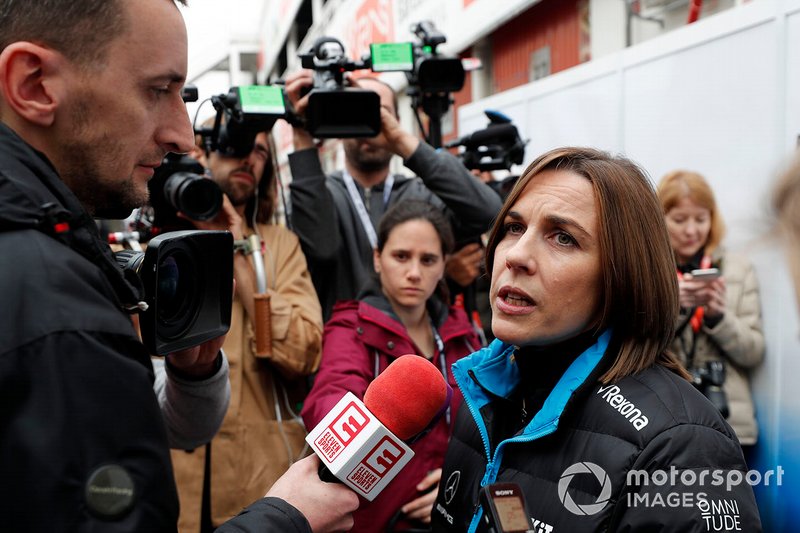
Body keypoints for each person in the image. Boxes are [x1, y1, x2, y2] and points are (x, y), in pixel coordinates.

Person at [0, 1, 357, 531]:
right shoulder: (55, 301)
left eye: (182, 96)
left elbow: (300, 348)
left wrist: (196, 371)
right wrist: (287, 522)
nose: (182, 137)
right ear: (34, 83)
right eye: (156, 90)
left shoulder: (274, 244)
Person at [430, 147, 761, 532]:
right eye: (514, 227)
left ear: (622, 276)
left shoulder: (683, 446)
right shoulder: (482, 392)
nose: (516, 255)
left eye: (563, 238)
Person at [171, 130, 324, 531]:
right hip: (166, 480)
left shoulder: (279, 244)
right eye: (237, 146)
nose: (249, 159)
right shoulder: (153, 242)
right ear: (202, 151)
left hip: (255, 484)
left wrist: (240, 253)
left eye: (259, 151)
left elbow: (305, 352)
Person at [301, 200, 481, 532]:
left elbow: (492, 429)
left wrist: (460, 480)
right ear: (377, 258)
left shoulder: (467, 337)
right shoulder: (349, 327)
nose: (414, 272)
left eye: (428, 260)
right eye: (401, 256)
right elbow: (329, 402)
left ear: (444, 265)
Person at [284, 71, 503, 320]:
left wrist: (401, 141)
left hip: (414, 350)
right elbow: (320, 249)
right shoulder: (319, 193)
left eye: (380, 111)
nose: (371, 120)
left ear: (397, 120)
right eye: (358, 109)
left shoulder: (421, 194)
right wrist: (302, 135)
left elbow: (489, 212)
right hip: (341, 350)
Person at [657, 170, 765, 449]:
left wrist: (719, 317)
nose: (692, 231)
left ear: (712, 219)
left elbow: (753, 352)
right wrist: (673, 307)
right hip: (664, 419)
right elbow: (628, 345)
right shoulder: (650, 272)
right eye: (679, 220)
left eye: (701, 219)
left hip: (729, 421)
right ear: (659, 219)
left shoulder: (738, 269)